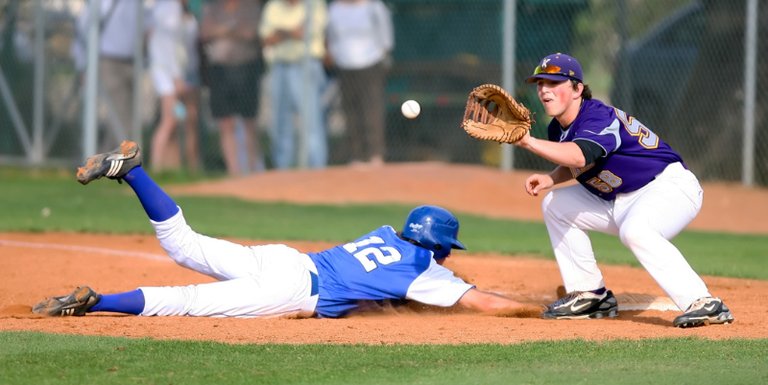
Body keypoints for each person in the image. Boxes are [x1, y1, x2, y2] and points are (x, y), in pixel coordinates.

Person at [31, 141, 531, 319]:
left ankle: (133, 171)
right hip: (292, 289)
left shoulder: (385, 234)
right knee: (184, 300)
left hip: (285, 259)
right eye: (446, 250)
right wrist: (537, 311)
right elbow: (482, 301)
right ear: (439, 247)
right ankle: (97, 302)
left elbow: (384, 287)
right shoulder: (425, 271)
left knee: (183, 245)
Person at [514, 52, 734, 328]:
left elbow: (582, 155)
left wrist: (527, 142)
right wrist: (551, 179)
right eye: (540, 83)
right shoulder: (557, 129)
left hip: (668, 187)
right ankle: (590, 295)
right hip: (620, 199)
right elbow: (581, 161)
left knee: (636, 230)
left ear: (577, 89)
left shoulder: (597, 117)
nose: (544, 89)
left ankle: (703, 302)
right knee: (555, 204)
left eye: (553, 82)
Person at [71, 0, 146, 149]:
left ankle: (111, 157)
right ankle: (115, 158)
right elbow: (82, 31)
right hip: (108, 62)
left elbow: (145, 28)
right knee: (119, 113)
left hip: (131, 61)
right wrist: (83, 64)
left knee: (127, 113)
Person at [260, 0, 328, 169]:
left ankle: (316, 168)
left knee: (311, 120)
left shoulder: (315, 4)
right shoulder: (273, 6)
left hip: (306, 66)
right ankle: (283, 169)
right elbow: (267, 39)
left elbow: (304, 33)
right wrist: (290, 31)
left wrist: (281, 32)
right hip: (280, 66)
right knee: (280, 121)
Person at [326, 0, 393, 167]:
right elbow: (330, 38)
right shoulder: (335, 9)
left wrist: (378, 56)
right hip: (345, 66)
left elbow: (386, 39)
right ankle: (357, 156)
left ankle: (375, 155)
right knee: (350, 112)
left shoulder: (375, 7)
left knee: (371, 110)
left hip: (370, 65)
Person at [200, 0, 262, 176]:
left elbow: (250, 33)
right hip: (220, 71)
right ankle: (234, 172)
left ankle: (253, 170)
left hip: (244, 69)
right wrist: (231, 28)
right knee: (225, 121)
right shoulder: (214, 5)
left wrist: (221, 30)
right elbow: (205, 32)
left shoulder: (251, 6)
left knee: (248, 121)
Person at [148, 0, 200, 172]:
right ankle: (156, 166)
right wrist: (177, 77)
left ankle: (171, 166)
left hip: (167, 71)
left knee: (179, 117)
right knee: (170, 120)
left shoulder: (160, 6)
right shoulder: (171, 7)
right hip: (167, 74)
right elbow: (170, 46)